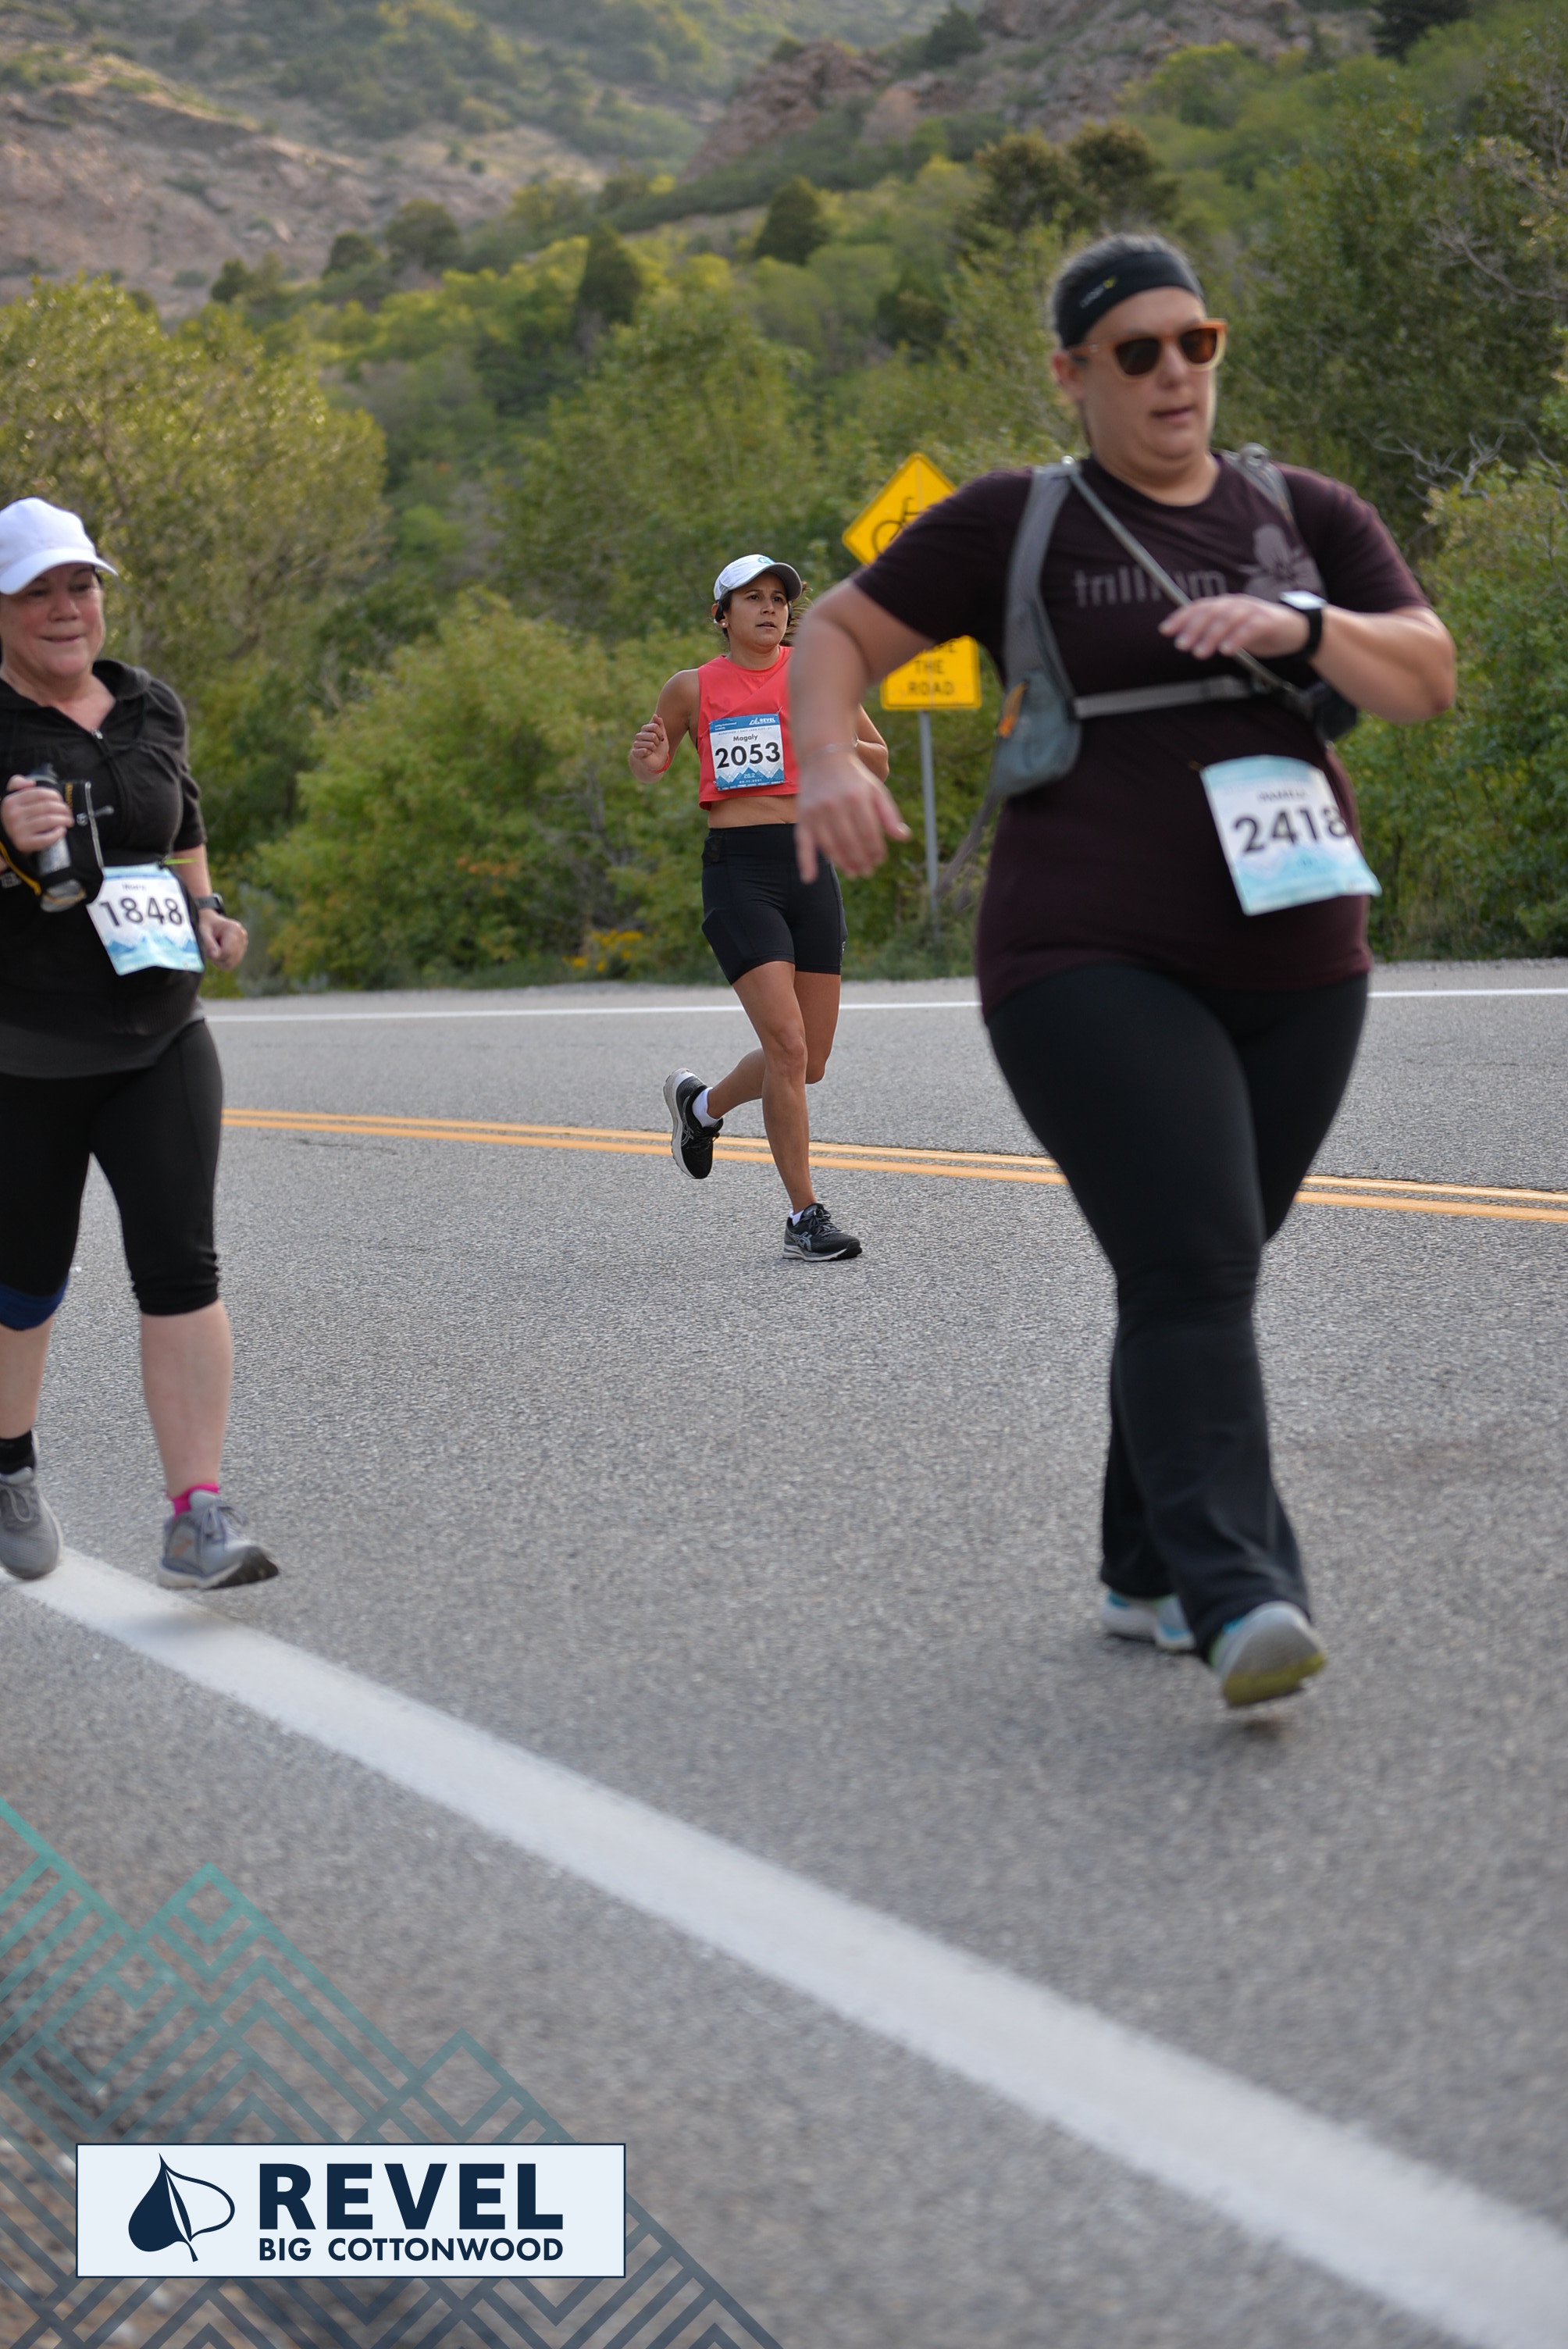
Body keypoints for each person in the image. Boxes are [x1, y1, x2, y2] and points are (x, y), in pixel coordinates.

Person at [786, 234, 1456, 1706]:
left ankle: (1141, 1566)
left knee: (1196, 1268)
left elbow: (1423, 674)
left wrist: (1302, 624)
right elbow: (835, 631)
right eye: (1136, 351)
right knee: (1194, 1265)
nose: (1173, 374)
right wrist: (826, 753)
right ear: (1072, 372)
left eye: (1194, 343)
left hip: (1304, 959)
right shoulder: (1018, 520)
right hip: (1086, 954)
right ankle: (1240, 1594)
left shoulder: (1305, 515)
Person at [0, 496, 278, 1593]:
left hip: (161, 1029)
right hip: (23, 1049)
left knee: (183, 1267)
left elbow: (183, 823)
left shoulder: (149, 703)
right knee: (25, 1280)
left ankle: (197, 1514)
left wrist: (206, 908)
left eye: (80, 585)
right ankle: (9, 1465)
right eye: (37, 591)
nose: (67, 608)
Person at [629, 554, 893, 1263]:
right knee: (787, 1046)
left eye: (779, 597)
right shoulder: (692, 687)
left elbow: (878, 758)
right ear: (722, 616)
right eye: (753, 597)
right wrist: (646, 758)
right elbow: (652, 762)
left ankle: (701, 1107)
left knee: (809, 1062)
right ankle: (804, 1215)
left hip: (810, 867)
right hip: (739, 872)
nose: (771, 607)